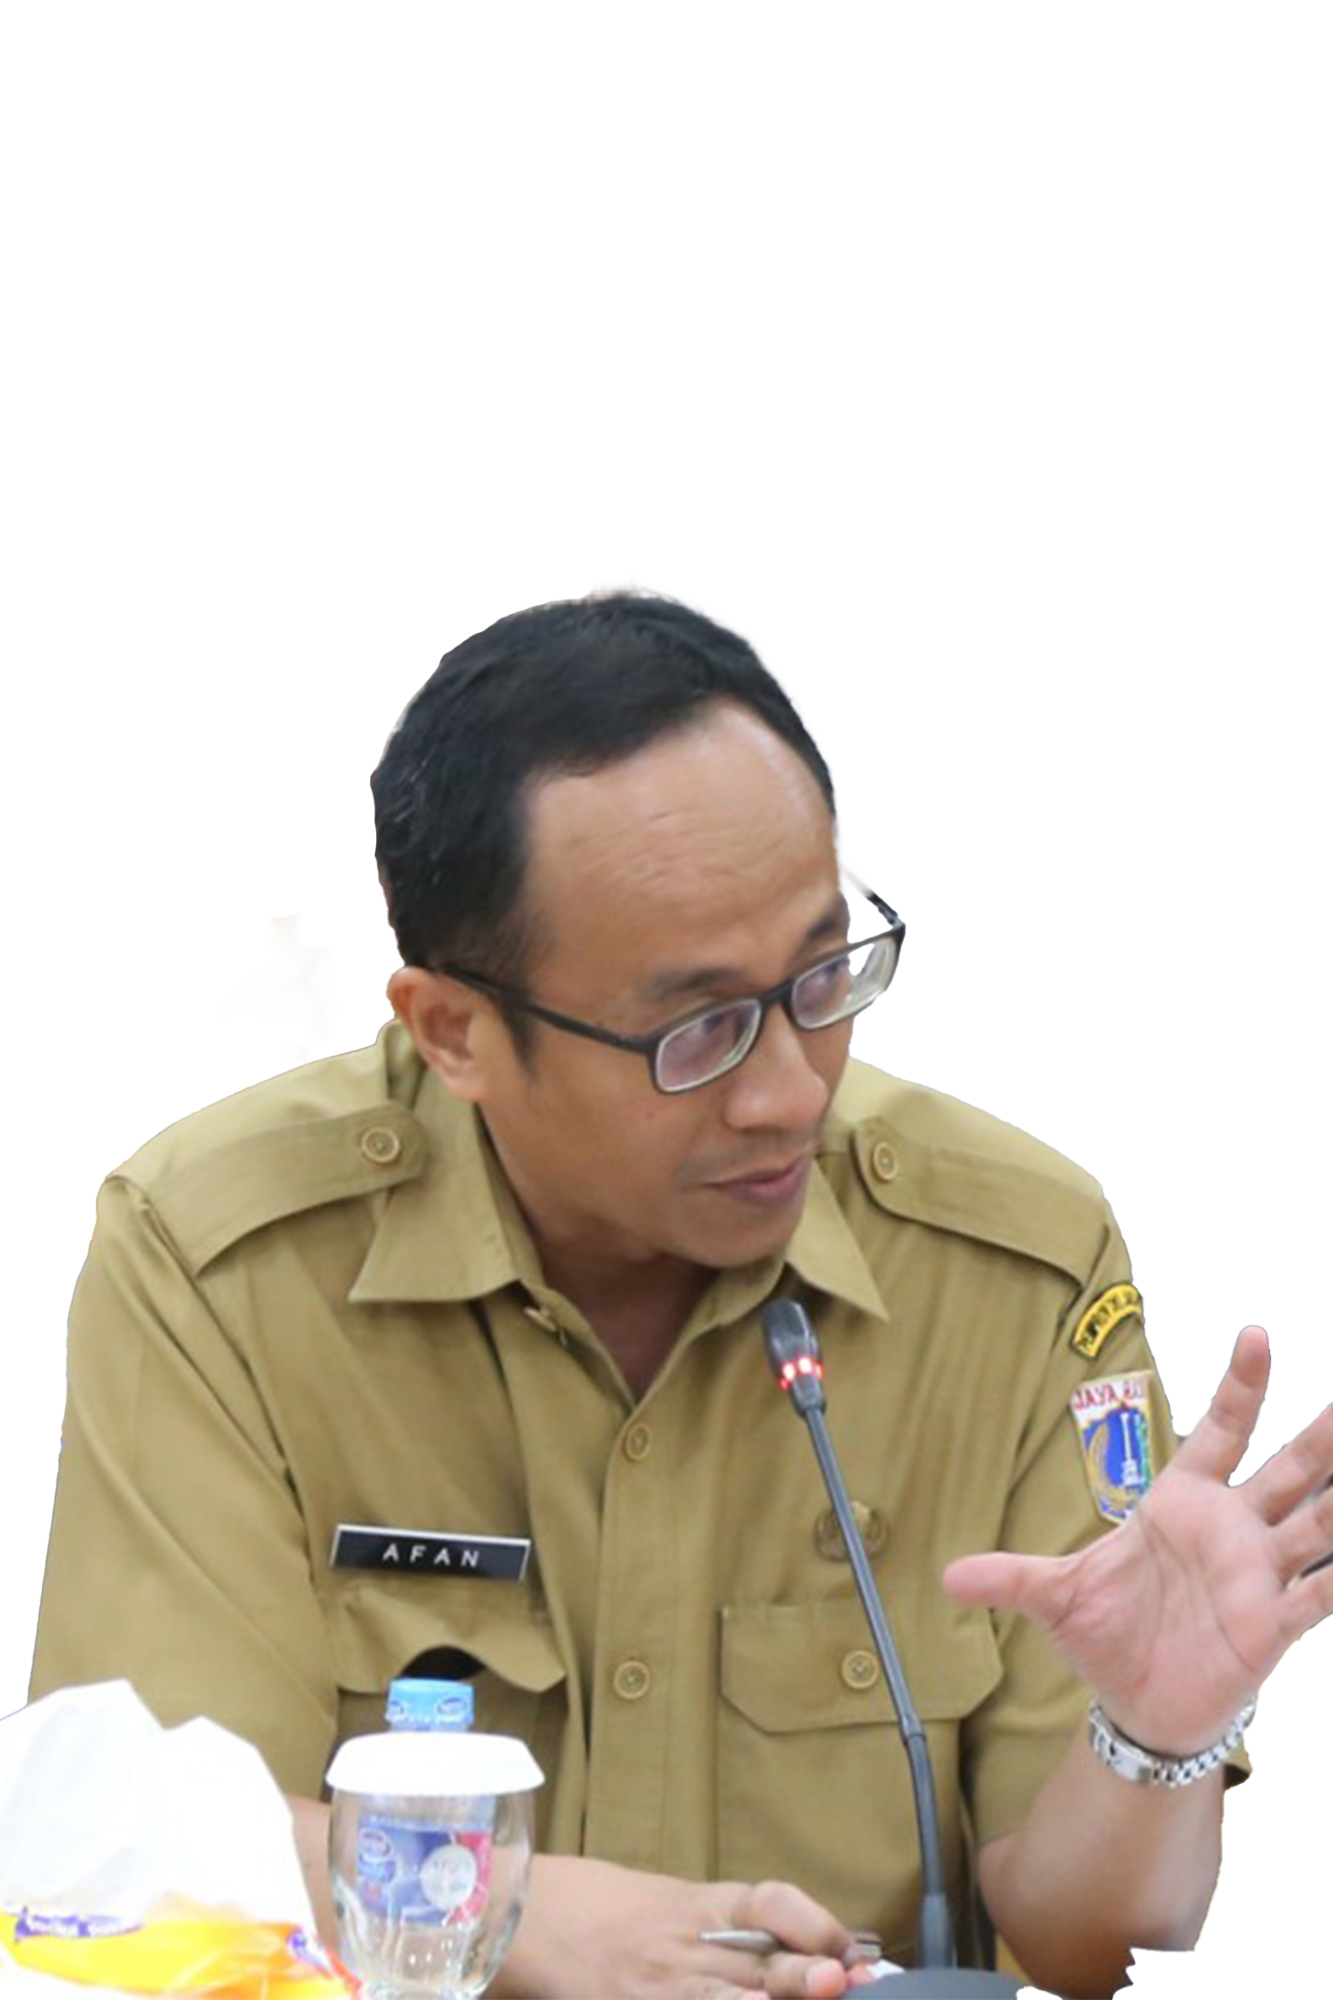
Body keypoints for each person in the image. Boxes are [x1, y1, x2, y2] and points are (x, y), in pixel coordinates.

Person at [30, 594, 1333, 1999]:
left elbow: (1081, 1940)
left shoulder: (1010, 1261)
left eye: (822, 974)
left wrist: (1154, 1735)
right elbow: (125, 1862)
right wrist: (513, 1918)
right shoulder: (224, 1264)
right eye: (695, 1030)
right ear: (455, 1031)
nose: (788, 1091)